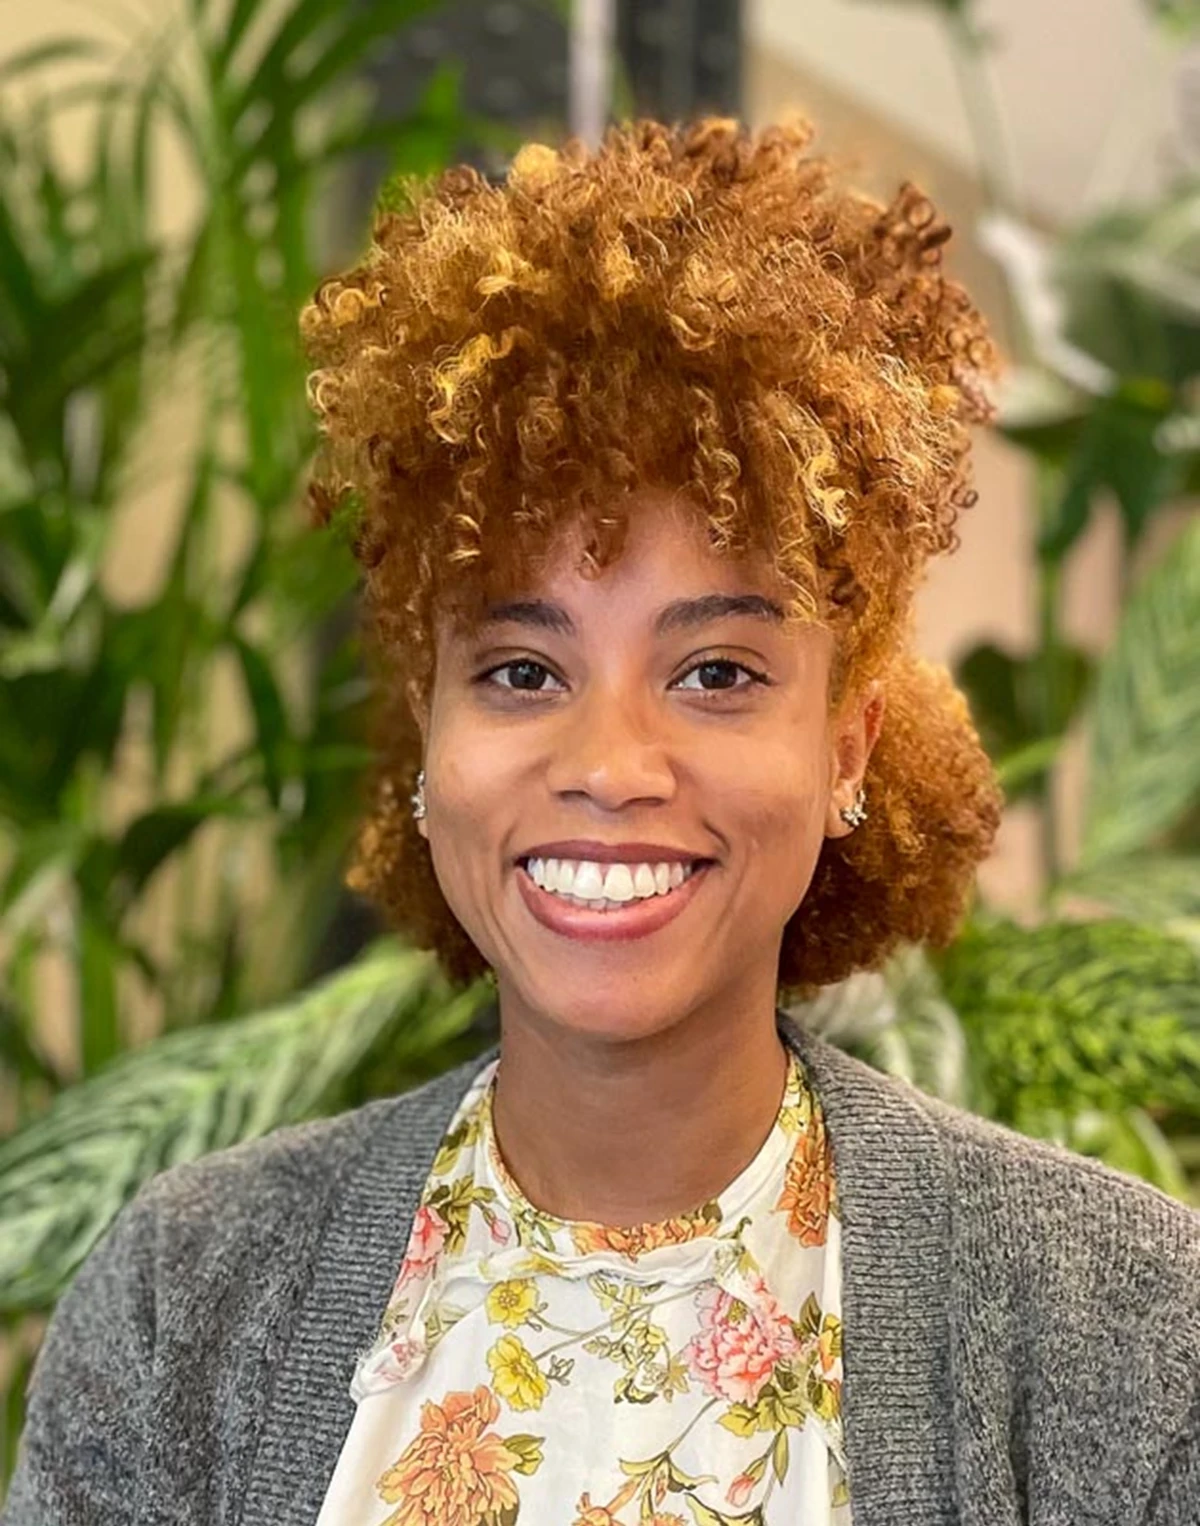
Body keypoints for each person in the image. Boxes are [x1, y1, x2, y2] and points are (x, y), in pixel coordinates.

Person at [5, 117, 1198, 1526]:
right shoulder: (179, 1300)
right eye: (522, 669)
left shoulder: (1127, 1321)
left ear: (845, 748)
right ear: (428, 738)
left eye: (715, 671)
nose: (613, 762)